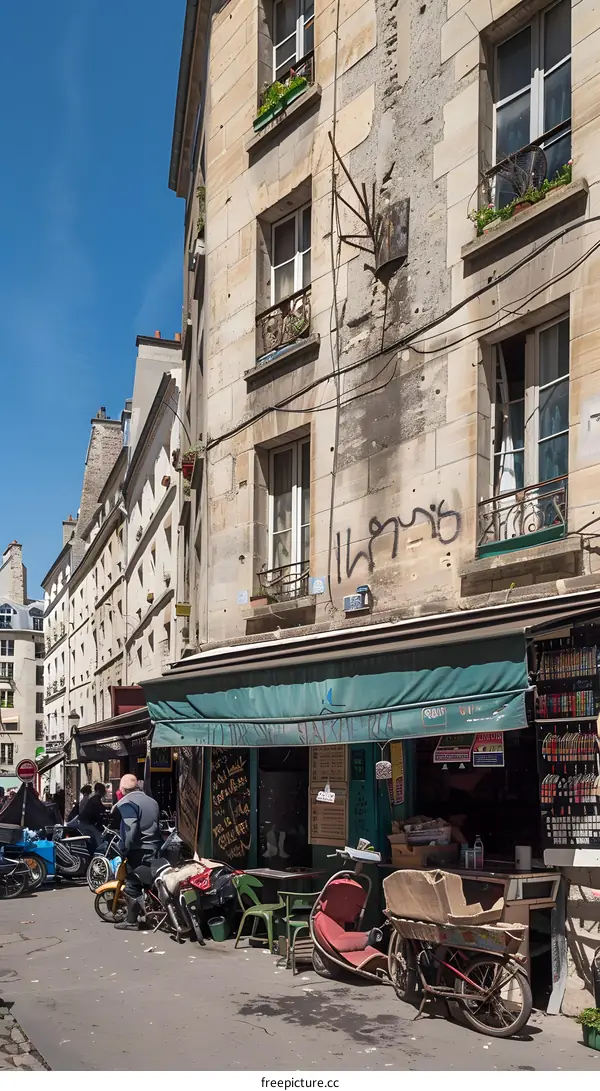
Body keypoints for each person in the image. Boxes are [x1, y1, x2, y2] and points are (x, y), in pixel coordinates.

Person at [113, 773, 161, 930]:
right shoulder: (152, 802)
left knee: (132, 885)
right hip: (154, 847)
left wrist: (124, 848)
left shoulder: (126, 803)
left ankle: (132, 921)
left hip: (138, 849)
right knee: (148, 883)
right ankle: (149, 914)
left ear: (122, 789)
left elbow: (131, 828)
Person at [76, 782, 108, 851]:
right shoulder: (95, 799)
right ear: (99, 791)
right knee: (98, 836)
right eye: (103, 791)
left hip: (85, 822)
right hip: (86, 824)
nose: (104, 793)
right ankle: (100, 852)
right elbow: (100, 811)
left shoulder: (93, 799)